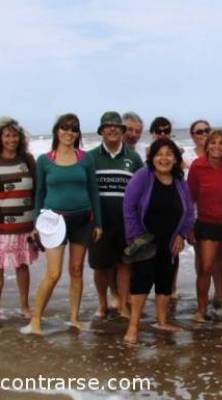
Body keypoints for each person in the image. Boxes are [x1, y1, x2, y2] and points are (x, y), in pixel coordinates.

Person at [23, 113, 102, 334]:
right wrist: (34, 224)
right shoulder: (44, 160)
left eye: (74, 129)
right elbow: (39, 193)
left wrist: (99, 223)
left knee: (76, 270)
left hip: (83, 220)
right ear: (57, 131)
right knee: (54, 273)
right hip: (53, 222)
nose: (69, 132)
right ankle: (35, 321)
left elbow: (93, 192)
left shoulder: (85, 159)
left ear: (78, 134)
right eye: (65, 128)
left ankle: (74, 319)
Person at [123, 138, 194, 344]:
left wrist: (181, 234)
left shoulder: (180, 181)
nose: (164, 158)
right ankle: (133, 326)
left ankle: (161, 321)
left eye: (169, 154)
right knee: (142, 282)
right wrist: (136, 236)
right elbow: (129, 206)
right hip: (145, 239)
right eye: (159, 154)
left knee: (165, 281)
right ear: (152, 157)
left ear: (175, 158)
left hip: (170, 240)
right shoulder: (143, 176)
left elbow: (189, 211)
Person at [88, 112, 143, 318]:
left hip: (125, 223)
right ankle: (102, 304)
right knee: (100, 267)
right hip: (99, 223)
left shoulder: (133, 157)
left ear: (122, 131)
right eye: (107, 126)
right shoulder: (90, 157)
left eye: (116, 127)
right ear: (101, 131)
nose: (112, 129)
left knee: (124, 264)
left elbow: (142, 190)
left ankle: (122, 305)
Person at [188, 130, 222, 320]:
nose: (216, 147)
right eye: (213, 143)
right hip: (206, 223)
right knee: (205, 267)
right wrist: (189, 225)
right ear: (207, 145)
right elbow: (190, 196)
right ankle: (201, 310)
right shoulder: (197, 166)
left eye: (221, 143)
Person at [0, 117, 38, 318]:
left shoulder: (27, 160)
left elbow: (38, 190)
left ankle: (25, 307)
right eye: (7, 135)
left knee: (22, 266)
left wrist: (37, 222)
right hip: (1, 226)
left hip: (25, 226)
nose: (11, 139)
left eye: (15, 135)